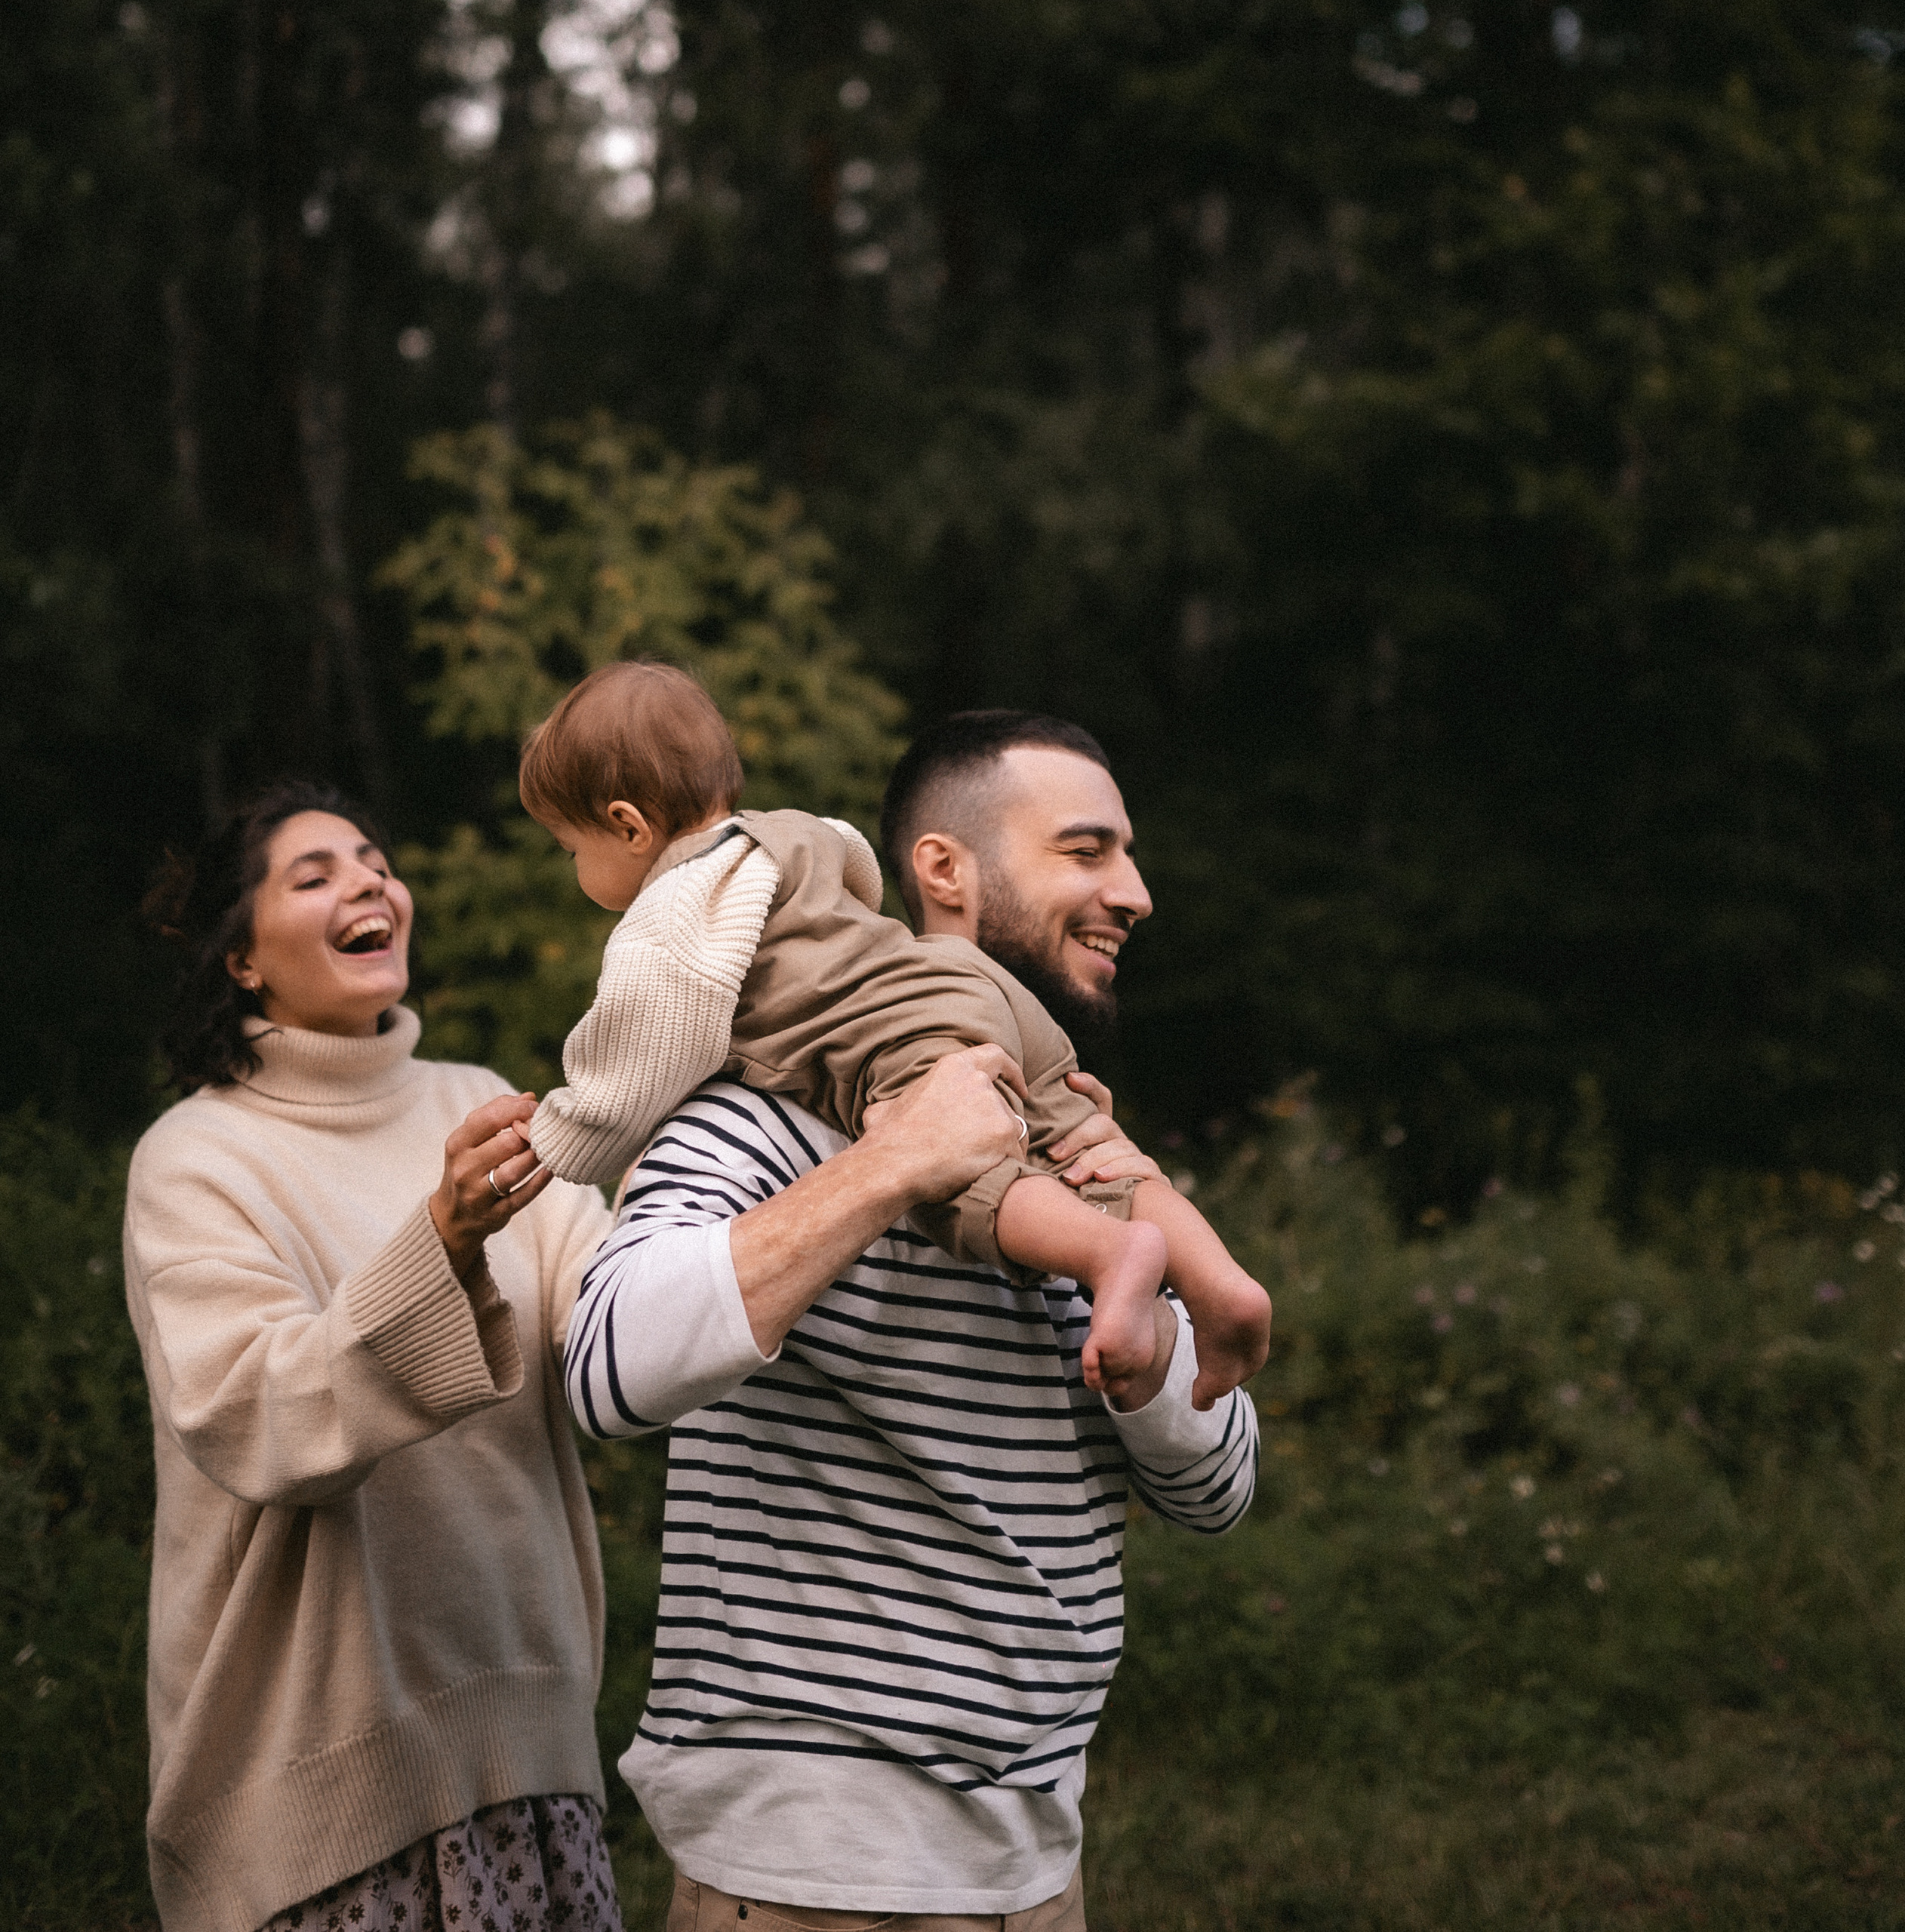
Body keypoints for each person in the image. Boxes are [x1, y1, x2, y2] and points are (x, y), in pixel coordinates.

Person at [566, 712, 1260, 1930]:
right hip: (802, 1873)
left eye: (1130, 856)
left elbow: (1224, 1485)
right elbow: (605, 1369)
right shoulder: (765, 1114)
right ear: (944, 869)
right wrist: (889, 1169)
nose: (1135, 892)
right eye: (1088, 851)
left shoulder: (1079, 1146)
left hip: (1038, 1869)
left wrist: (1149, 1368)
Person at [124, 779, 618, 1932]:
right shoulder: (197, 1156)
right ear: (242, 957)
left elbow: (617, 1327)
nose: (369, 882)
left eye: (375, 860)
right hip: (320, 1801)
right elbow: (262, 1413)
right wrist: (439, 1240)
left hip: (534, 1757)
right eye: (316, 874)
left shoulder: (482, 1102)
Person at [520, 663, 1270, 1405]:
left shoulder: (670, 906)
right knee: (1094, 1151)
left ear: (627, 824)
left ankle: (1113, 1253)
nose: (577, 868)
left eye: (570, 848)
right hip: (964, 984)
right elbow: (859, 873)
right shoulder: (792, 832)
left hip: (909, 1030)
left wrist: (567, 1143)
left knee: (967, 1174)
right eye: (1083, 850)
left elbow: (647, 1045)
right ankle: (1220, 1282)